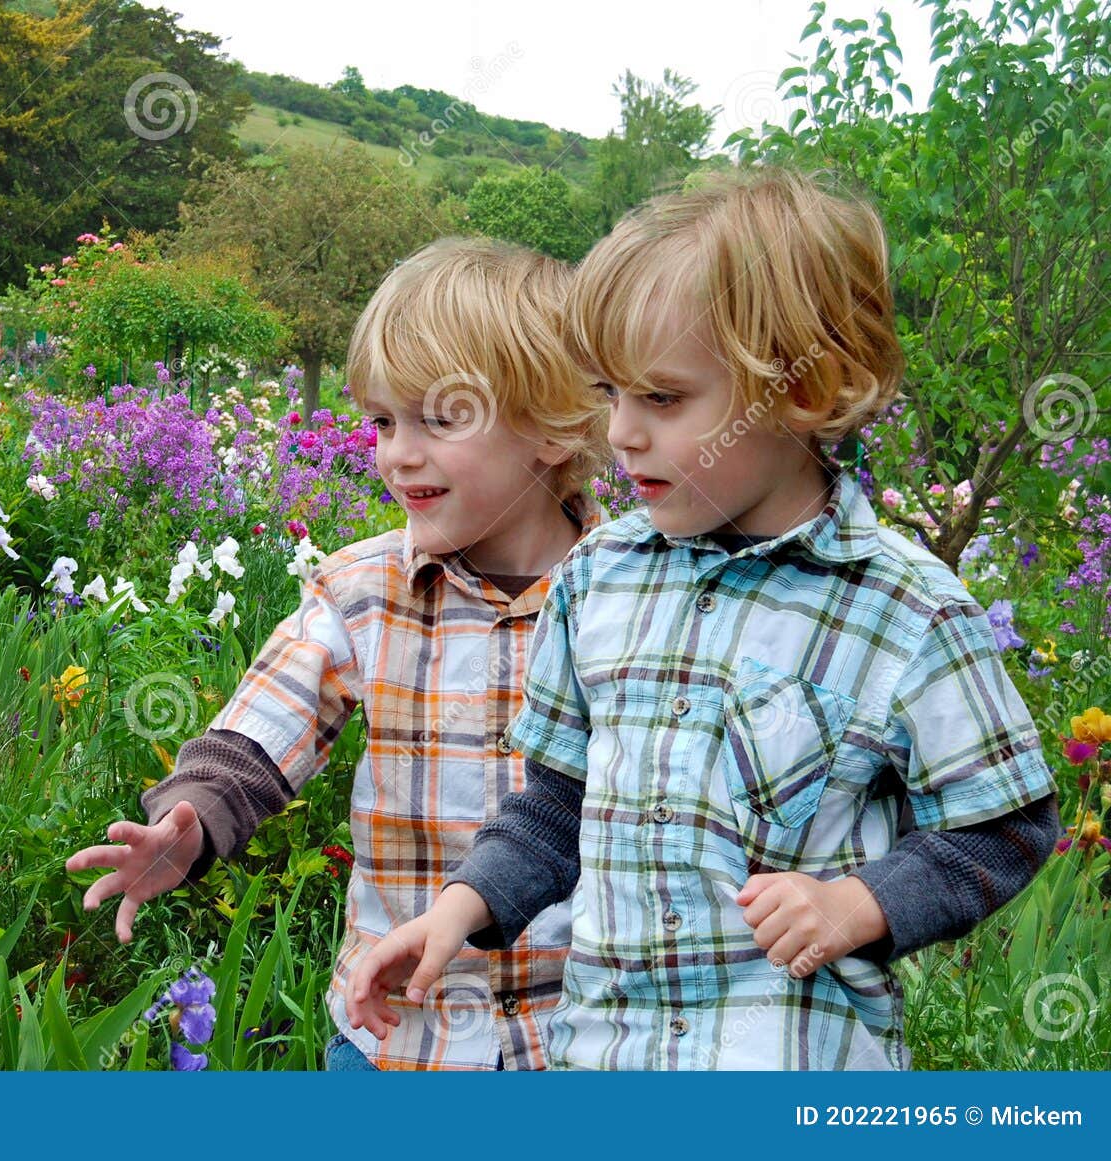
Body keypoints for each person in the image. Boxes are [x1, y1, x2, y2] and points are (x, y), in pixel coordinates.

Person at [347, 169, 1063, 1070]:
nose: (620, 433)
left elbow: (1006, 825)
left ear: (806, 389)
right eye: (611, 393)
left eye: (663, 398)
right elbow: (557, 808)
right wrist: (458, 911)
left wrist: (860, 903)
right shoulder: (599, 583)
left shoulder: (905, 613)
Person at [66, 236, 610, 1069]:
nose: (398, 452)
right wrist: (193, 818)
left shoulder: (633, 598)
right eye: (385, 420)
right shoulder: (360, 591)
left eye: (440, 417)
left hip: (583, 1039)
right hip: (396, 1036)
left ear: (549, 426)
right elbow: (262, 728)